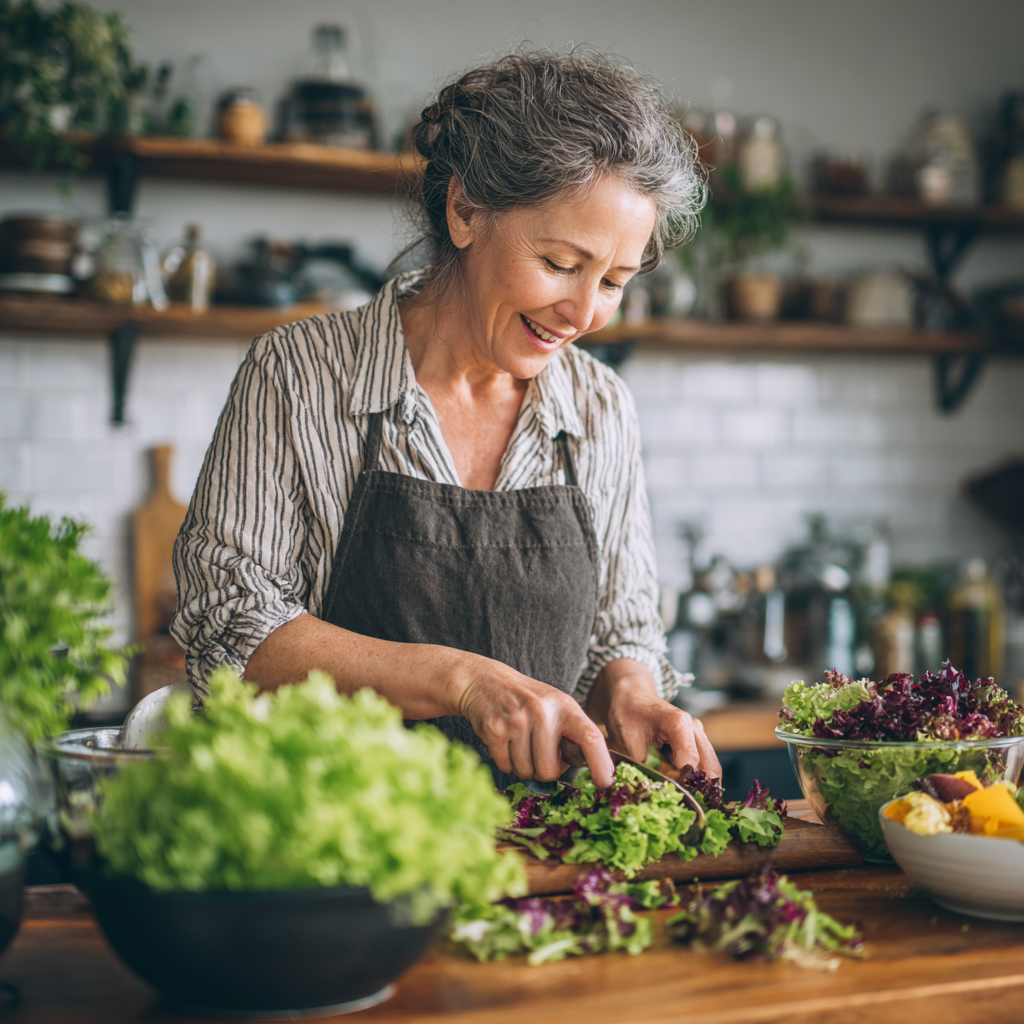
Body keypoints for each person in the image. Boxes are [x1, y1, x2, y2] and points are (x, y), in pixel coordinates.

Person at [172, 50, 721, 790]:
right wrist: (461, 680)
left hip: (541, 863)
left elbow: (619, 633)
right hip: (339, 844)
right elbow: (228, 631)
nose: (585, 312)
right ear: (465, 211)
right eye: (561, 263)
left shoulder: (599, 407)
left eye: (615, 281)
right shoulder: (299, 375)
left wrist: (631, 691)